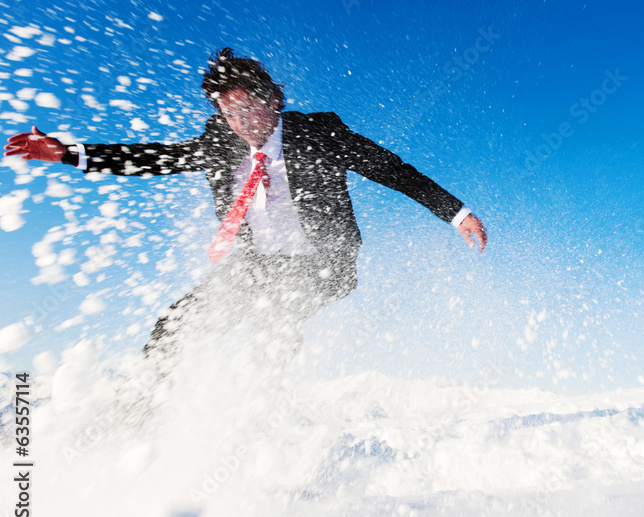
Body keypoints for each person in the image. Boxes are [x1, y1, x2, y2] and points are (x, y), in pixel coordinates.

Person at [4, 47, 487, 375]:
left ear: (274, 101)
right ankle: (139, 409)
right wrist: (69, 153)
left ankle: (256, 427)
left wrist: (455, 212)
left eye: (250, 109)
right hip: (259, 264)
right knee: (174, 324)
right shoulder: (219, 142)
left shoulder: (321, 132)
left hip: (325, 262)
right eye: (229, 115)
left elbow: (390, 169)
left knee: (270, 327)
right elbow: (158, 158)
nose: (242, 124)